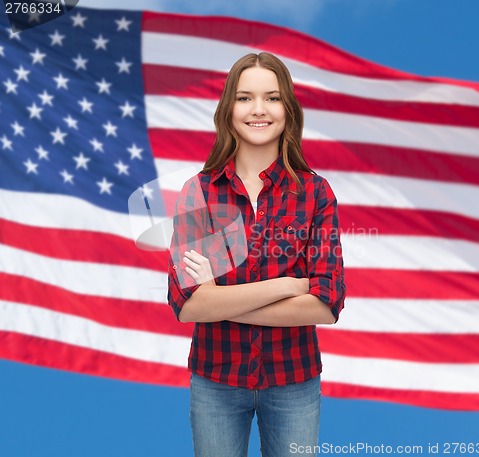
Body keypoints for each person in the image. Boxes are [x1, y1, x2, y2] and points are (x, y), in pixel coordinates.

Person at [167, 52, 346, 457]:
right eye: (245, 97)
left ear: (289, 110)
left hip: (294, 382)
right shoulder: (200, 193)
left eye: (273, 97)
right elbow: (187, 305)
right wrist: (286, 285)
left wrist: (218, 300)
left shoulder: (316, 193)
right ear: (228, 109)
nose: (259, 110)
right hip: (215, 382)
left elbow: (326, 303)